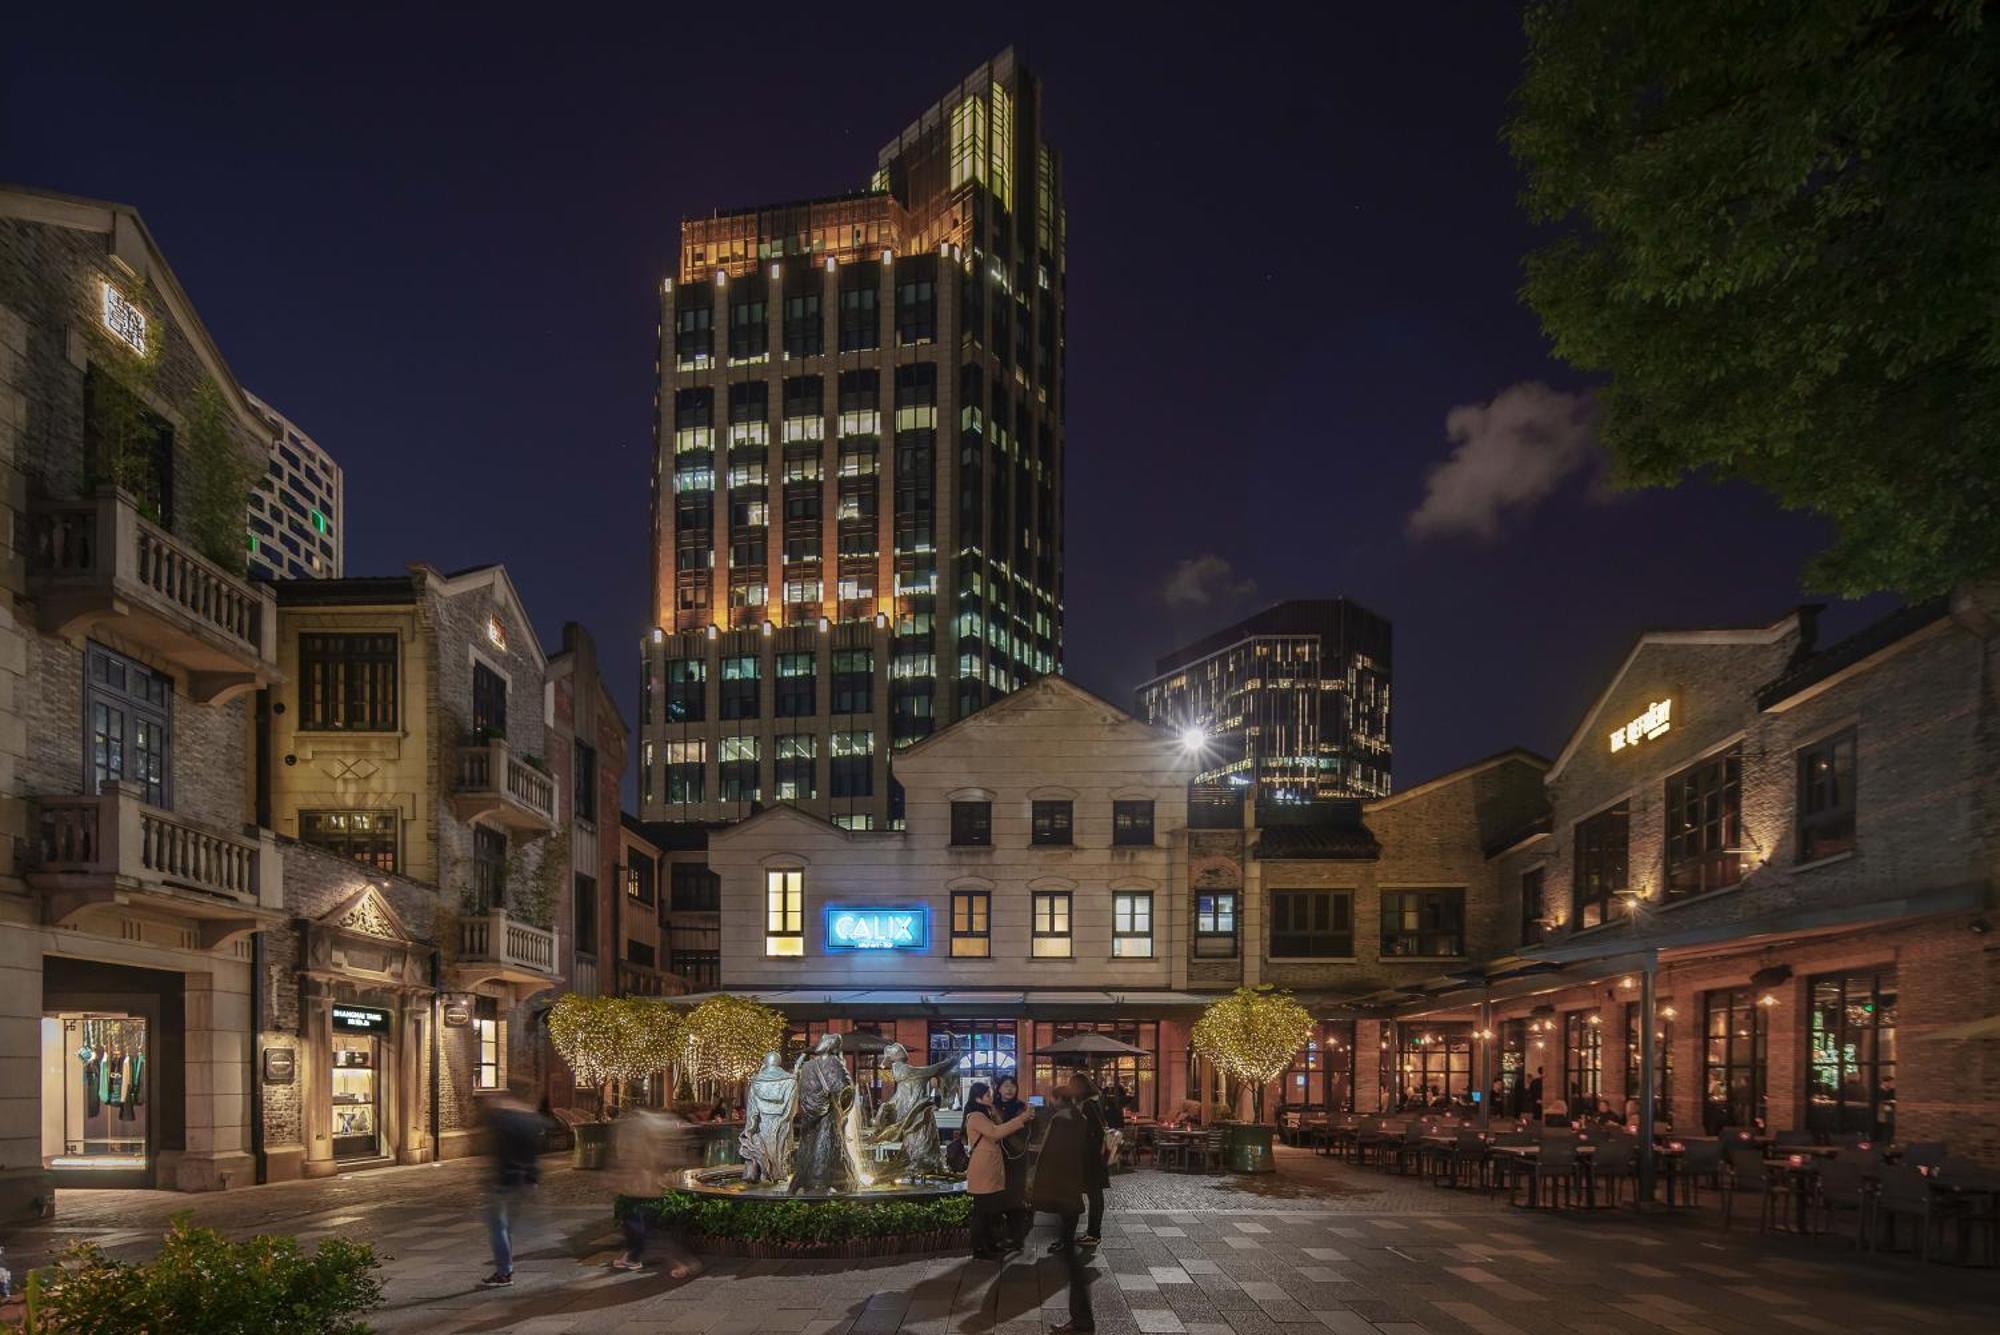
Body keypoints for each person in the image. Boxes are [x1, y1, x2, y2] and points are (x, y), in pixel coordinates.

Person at [608, 1107, 705, 1280]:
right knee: (645, 1225)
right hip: (654, 1183)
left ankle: (681, 1262)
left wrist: (621, 1174)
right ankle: (633, 1256)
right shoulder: (661, 1123)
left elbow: (632, 1156)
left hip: (640, 1185)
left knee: (647, 1228)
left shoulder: (636, 1126)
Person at [1030, 1083, 1096, 1334]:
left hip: (1064, 1196)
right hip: (1072, 1195)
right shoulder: (1081, 1119)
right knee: (1070, 1259)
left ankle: (1081, 1322)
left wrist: (1039, 1193)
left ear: (1058, 1100)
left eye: (1052, 1098)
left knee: (1072, 1262)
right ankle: (1081, 1320)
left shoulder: (1061, 1121)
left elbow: (1050, 1158)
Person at [481, 1085, 549, 1287]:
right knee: (507, 1225)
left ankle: (504, 1272)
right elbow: (537, 1151)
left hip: (504, 1180)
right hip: (526, 1180)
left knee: (497, 1226)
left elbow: (499, 1151)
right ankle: (505, 1268)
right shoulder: (533, 1120)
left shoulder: (502, 1119)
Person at [963, 1081, 1032, 1262]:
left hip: (990, 1167)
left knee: (989, 1210)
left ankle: (989, 1244)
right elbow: (994, 1133)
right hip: (983, 1168)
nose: (991, 1097)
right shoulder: (976, 1116)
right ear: (978, 1097)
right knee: (982, 1211)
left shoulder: (985, 1113)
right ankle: (980, 1248)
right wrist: (1021, 1119)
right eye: (987, 1095)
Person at [1068, 1073, 1110, 1248]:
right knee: (1095, 1195)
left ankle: (1094, 1234)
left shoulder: (1087, 1106)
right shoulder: (1096, 1101)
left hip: (1091, 1157)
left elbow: (1092, 1131)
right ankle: (1093, 1232)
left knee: (1094, 1195)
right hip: (1098, 1156)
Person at [994, 1075, 1033, 1248]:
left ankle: (1016, 1236)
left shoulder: (1022, 1108)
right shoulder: (993, 1108)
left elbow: (1032, 1130)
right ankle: (998, 1234)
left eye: (1012, 1086)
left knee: (1016, 1195)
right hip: (996, 1158)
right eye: (1006, 1086)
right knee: (997, 1195)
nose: (1010, 1089)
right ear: (999, 1088)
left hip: (1017, 1157)